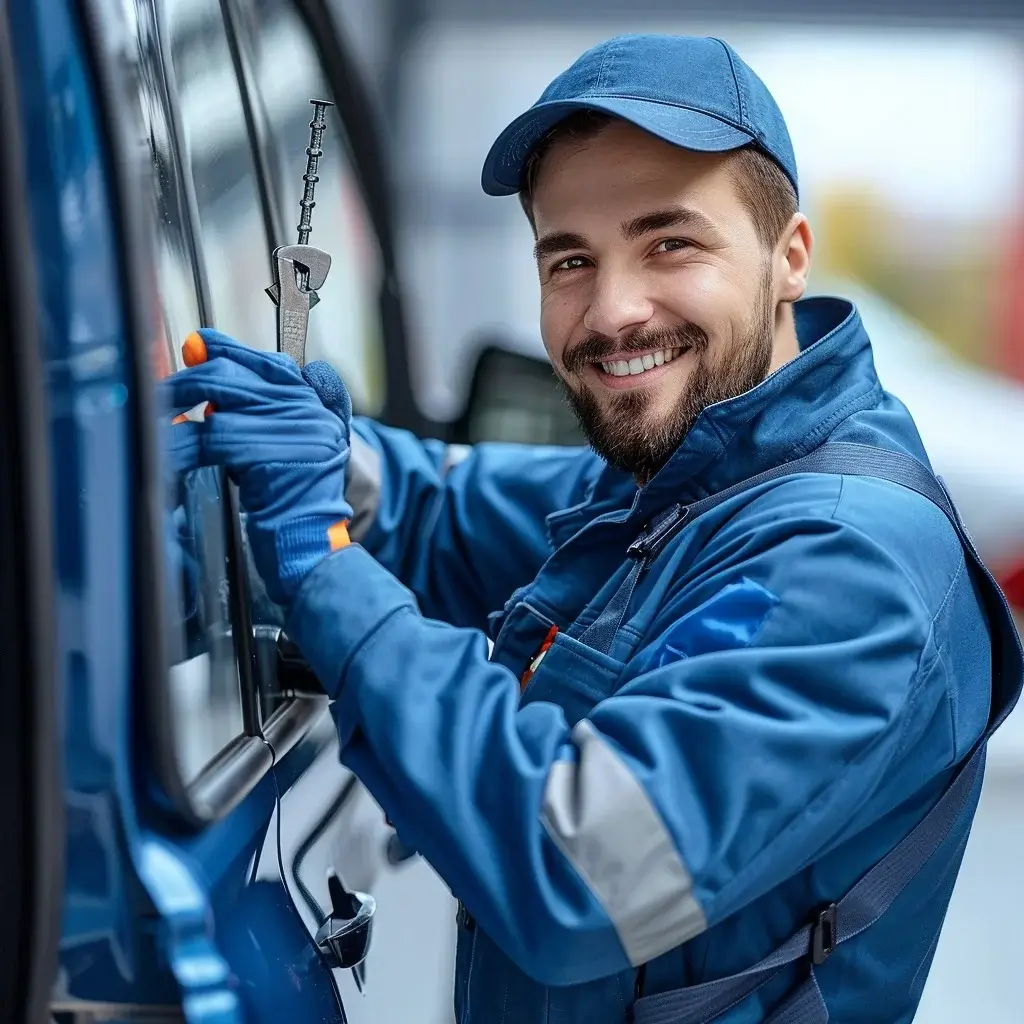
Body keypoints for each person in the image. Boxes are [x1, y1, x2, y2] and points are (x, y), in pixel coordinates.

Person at [162, 34, 1022, 1024]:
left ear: (787, 258)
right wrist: (314, 448)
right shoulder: (679, 482)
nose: (611, 310)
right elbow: (438, 511)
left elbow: (569, 865)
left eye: (670, 243)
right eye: (570, 259)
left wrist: (317, 557)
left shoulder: (848, 562)